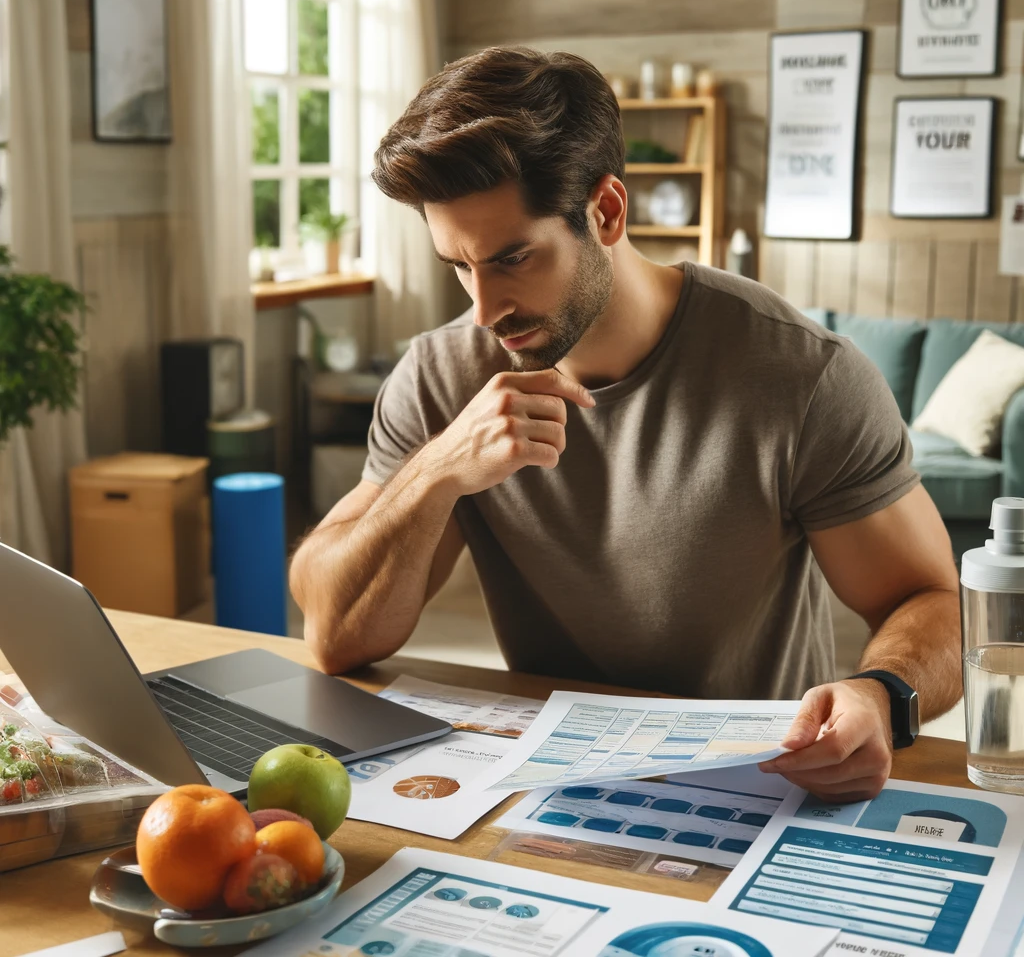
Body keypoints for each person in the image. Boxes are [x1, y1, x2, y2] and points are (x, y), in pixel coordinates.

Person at [290, 47, 962, 802]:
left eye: (512, 258)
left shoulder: (801, 375)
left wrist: (881, 695)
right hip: (543, 793)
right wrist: (441, 467)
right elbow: (337, 635)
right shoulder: (441, 374)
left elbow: (933, 601)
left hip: (759, 787)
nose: (483, 310)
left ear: (606, 212)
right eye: (458, 265)